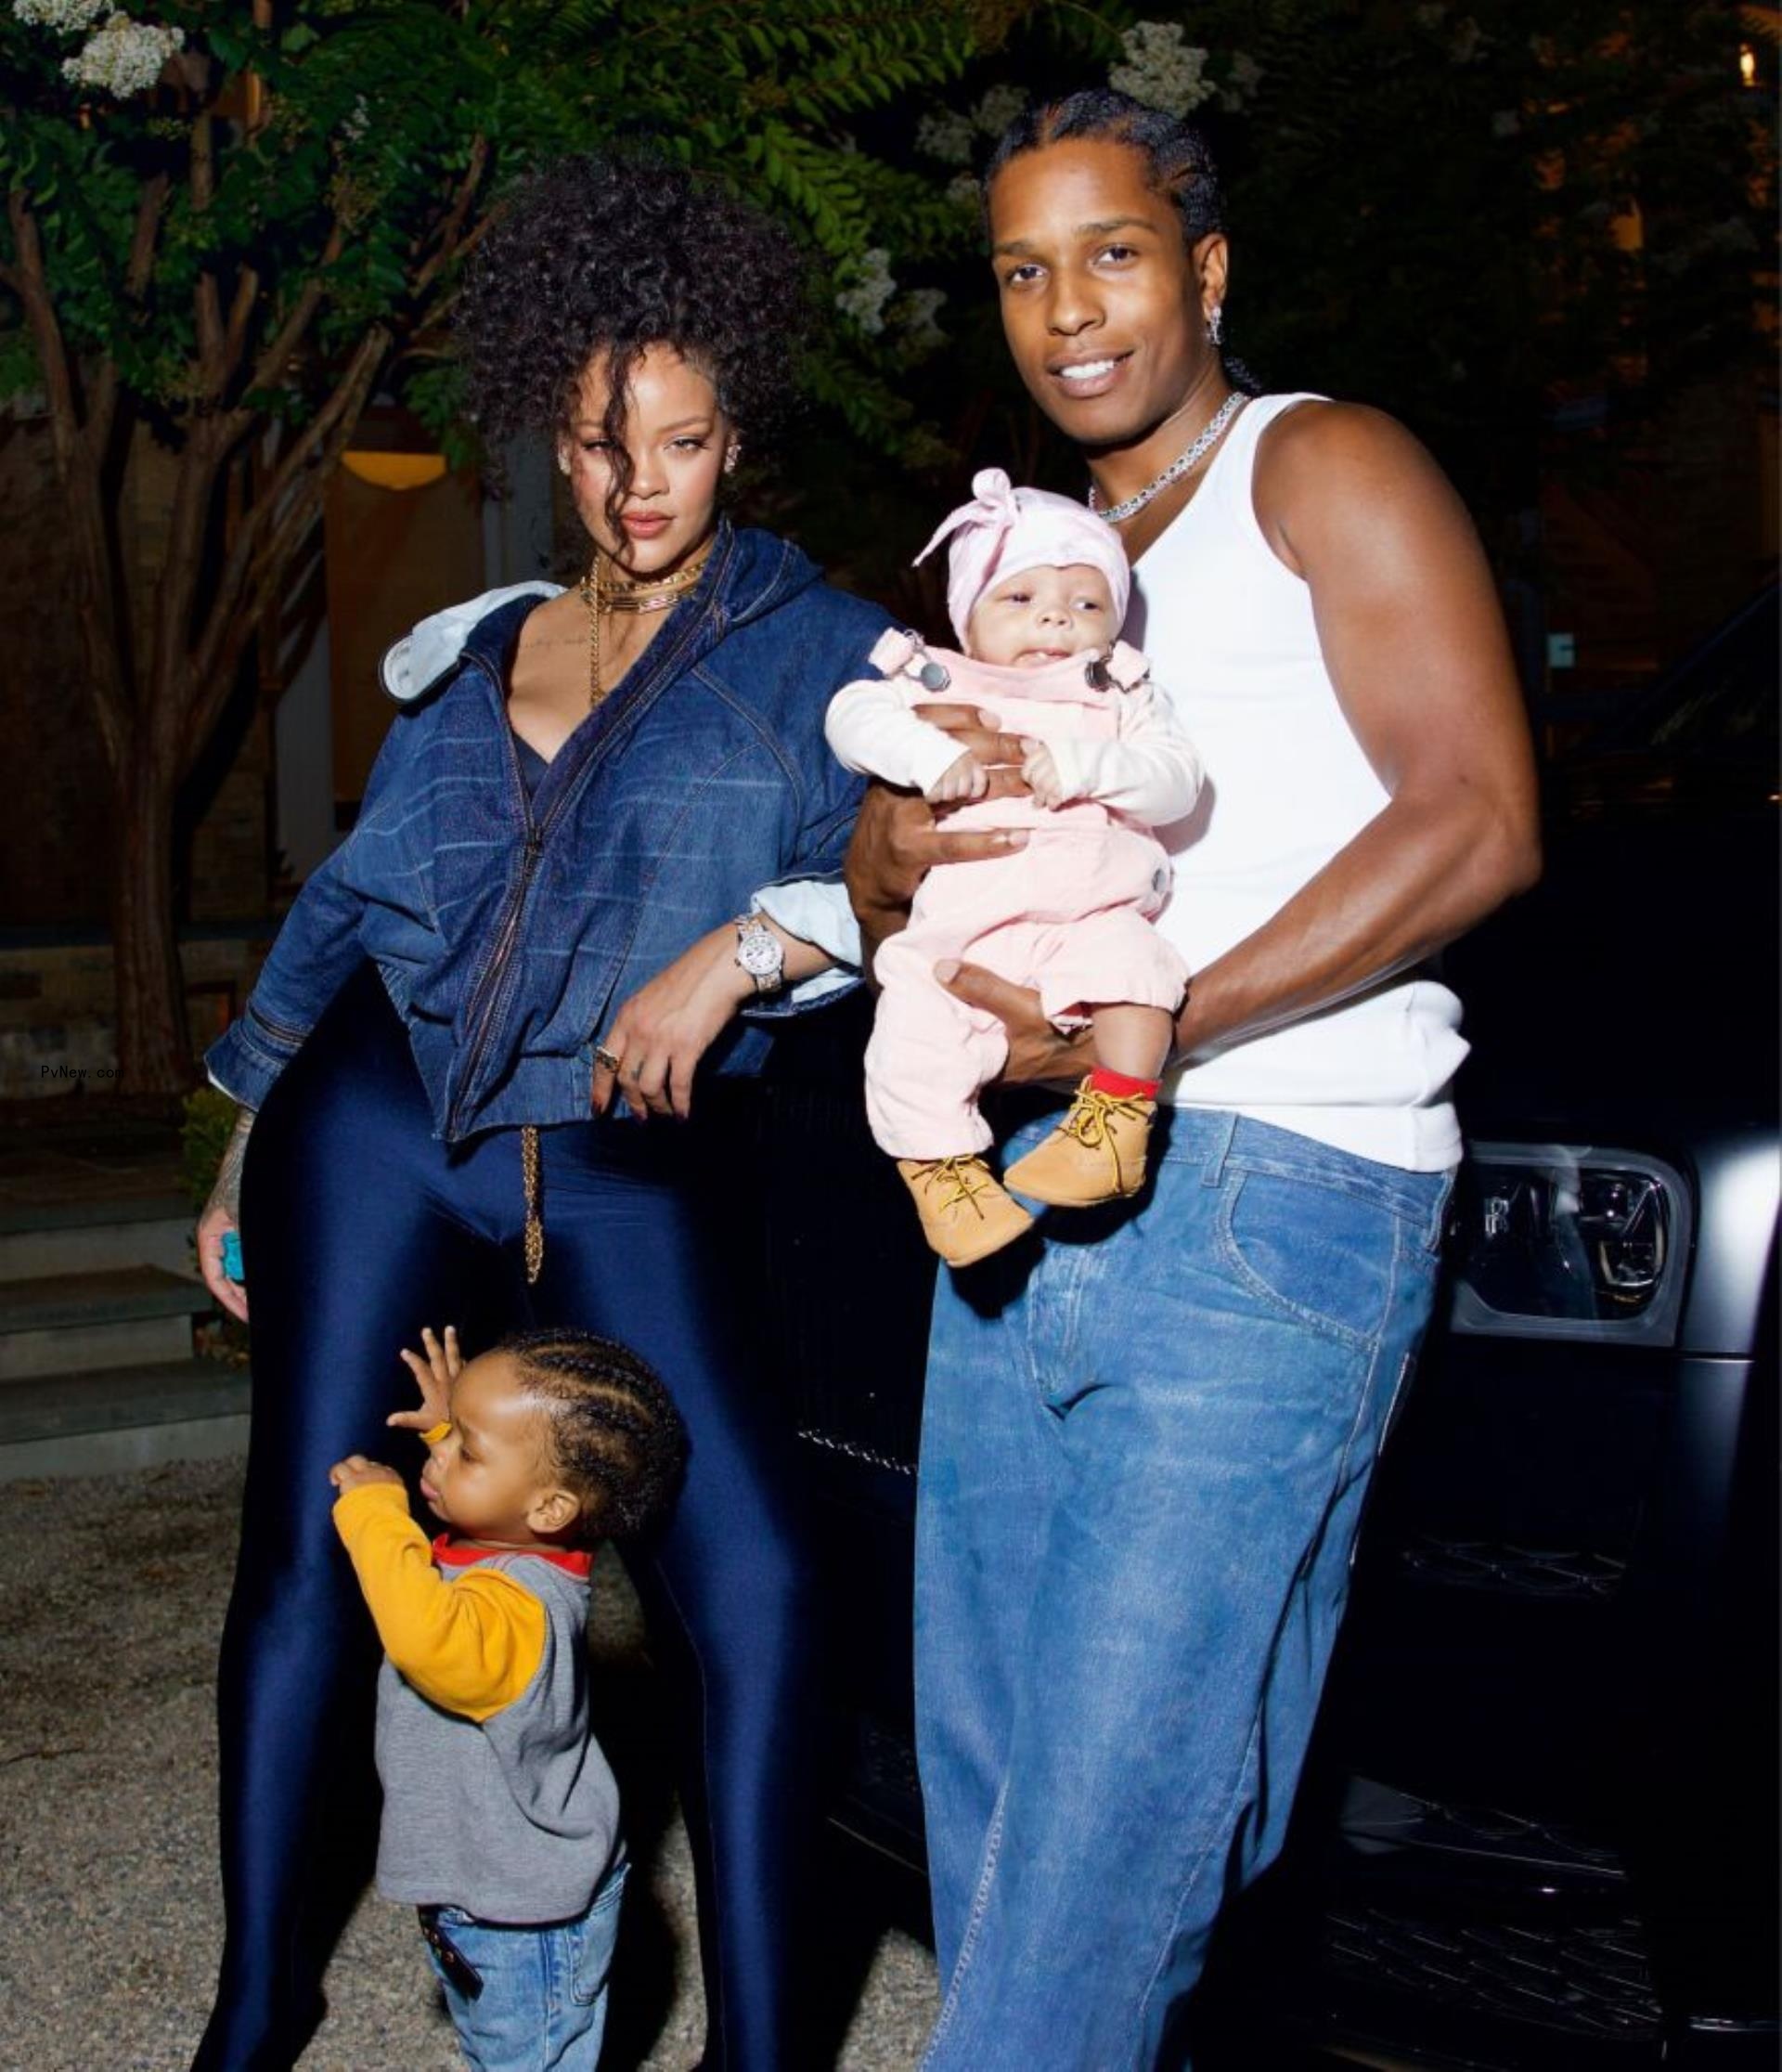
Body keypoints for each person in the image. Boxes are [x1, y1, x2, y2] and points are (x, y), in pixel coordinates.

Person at [837, 91, 1543, 2068]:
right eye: (1023, 270)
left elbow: (1480, 820)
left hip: (1271, 1183)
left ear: (1206, 267)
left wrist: (1157, 1033)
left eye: (1115, 253)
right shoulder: (1042, 559)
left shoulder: (1319, 464)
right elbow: (897, 839)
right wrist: (893, 858)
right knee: (1004, 1815)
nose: (1068, 309)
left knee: (1106, 1845)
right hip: (1019, 1194)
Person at [188, 153, 892, 2072]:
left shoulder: (821, 651)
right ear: (558, 445)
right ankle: (253, 2011)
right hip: (372, 1124)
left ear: (734, 429)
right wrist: (251, 1118)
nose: (637, 483)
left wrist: (745, 948)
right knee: (306, 1553)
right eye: (598, 444)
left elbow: (899, 878)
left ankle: (763, 2049)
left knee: (757, 1577)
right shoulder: (481, 648)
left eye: (674, 440)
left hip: (615, 1152)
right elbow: (355, 899)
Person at [824, 468, 1200, 1264]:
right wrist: (923, 753)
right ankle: (942, 1175)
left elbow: (1176, 781)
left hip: (1091, 907)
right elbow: (848, 715)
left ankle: (1118, 1121)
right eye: (1021, 599)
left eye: (1086, 604)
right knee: (911, 1026)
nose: (1056, 619)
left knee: (1136, 972)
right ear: (969, 616)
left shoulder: (1120, 693)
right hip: (968, 925)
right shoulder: (935, 678)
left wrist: (1091, 765)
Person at [328, 1325, 687, 2072]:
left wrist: (375, 1516)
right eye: (449, 1435)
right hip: (495, 1887)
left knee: (524, 2057)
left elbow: (425, 1639)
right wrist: (452, 1424)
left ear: (550, 1508)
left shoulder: (515, 1614)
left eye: (467, 1450)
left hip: (523, 1916)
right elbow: (510, 1486)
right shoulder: (534, 1538)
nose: (437, 1455)